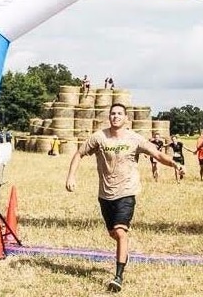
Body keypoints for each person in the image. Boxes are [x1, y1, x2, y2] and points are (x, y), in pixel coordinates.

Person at [65, 103, 184, 292]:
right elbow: (79, 154)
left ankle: (118, 276)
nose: (116, 116)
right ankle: (124, 249)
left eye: (120, 114)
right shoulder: (99, 137)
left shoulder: (135, 139)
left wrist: (175, 164)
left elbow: (158, 154)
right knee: (113, 233)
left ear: (126, 118)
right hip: (105, 194)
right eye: (113, 113)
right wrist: (71, 176)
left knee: (121, 232)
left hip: (127, 192)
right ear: (109, 117)